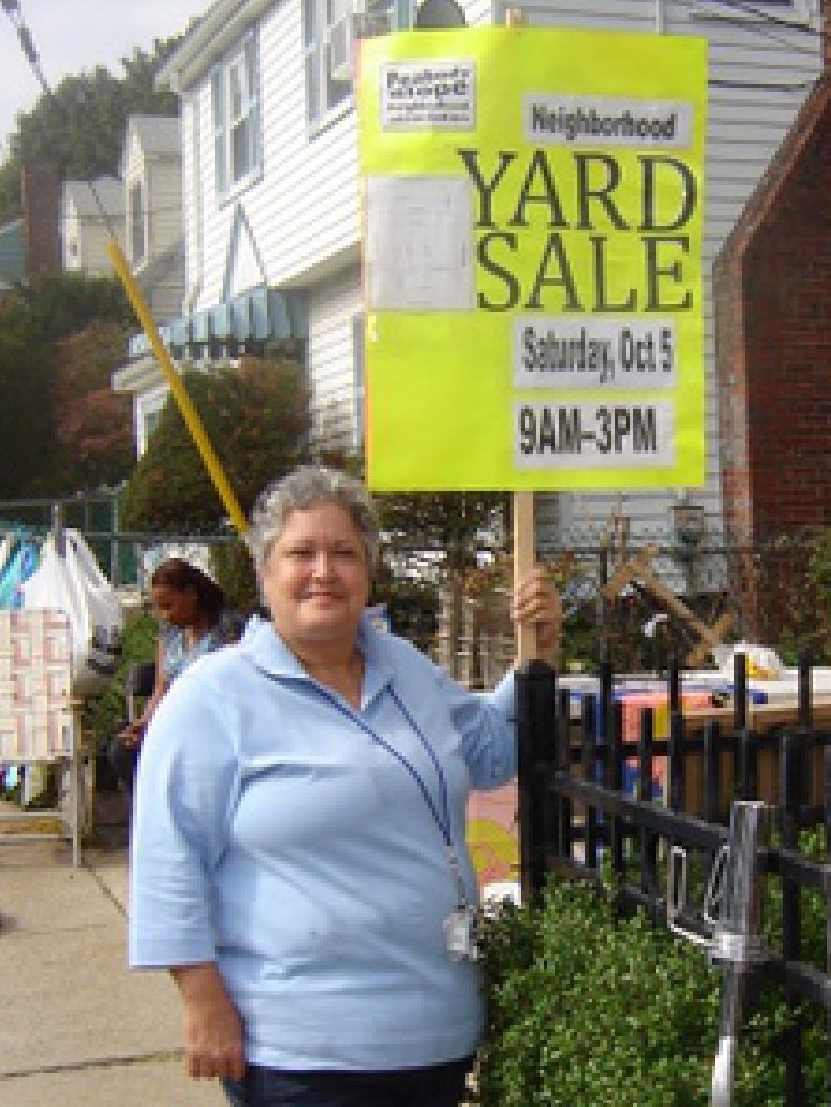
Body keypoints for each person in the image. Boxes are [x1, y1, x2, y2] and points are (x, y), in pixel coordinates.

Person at [127, 465, 562, 1107]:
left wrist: (540, 650)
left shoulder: (405, 668)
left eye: (344, 554)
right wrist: (202, 998)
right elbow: (168, 859)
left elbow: (494, 751)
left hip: (434, 1036)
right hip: (300, 1053)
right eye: (301, 553)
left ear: (368, 571)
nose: (324, 572)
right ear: (264, 571)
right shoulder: (213, 697)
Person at [109, 557, 240, 791]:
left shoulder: (225, 630)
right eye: (159, 608)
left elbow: (235, 690)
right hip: (173, 725)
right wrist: (144, 723)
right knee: (123, 751)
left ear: (191, 594)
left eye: (169, 606)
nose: (164, 615)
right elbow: (162, 688)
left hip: (212, 728)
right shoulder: (169, 633)